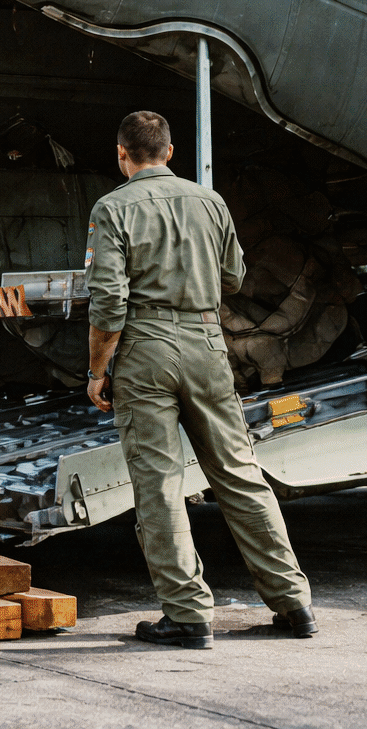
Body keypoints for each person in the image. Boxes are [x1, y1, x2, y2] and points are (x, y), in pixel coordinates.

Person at [85, 111, 316, 648]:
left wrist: (98, 370)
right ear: (169, 153)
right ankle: (294, 604)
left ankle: (189, 616)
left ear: (123, 155)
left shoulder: (112, 208)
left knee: (161, 484)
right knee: (240, 474)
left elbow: (109, 300)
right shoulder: (210, 202)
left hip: (145, 350)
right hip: (209, 344)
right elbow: (233, 277)